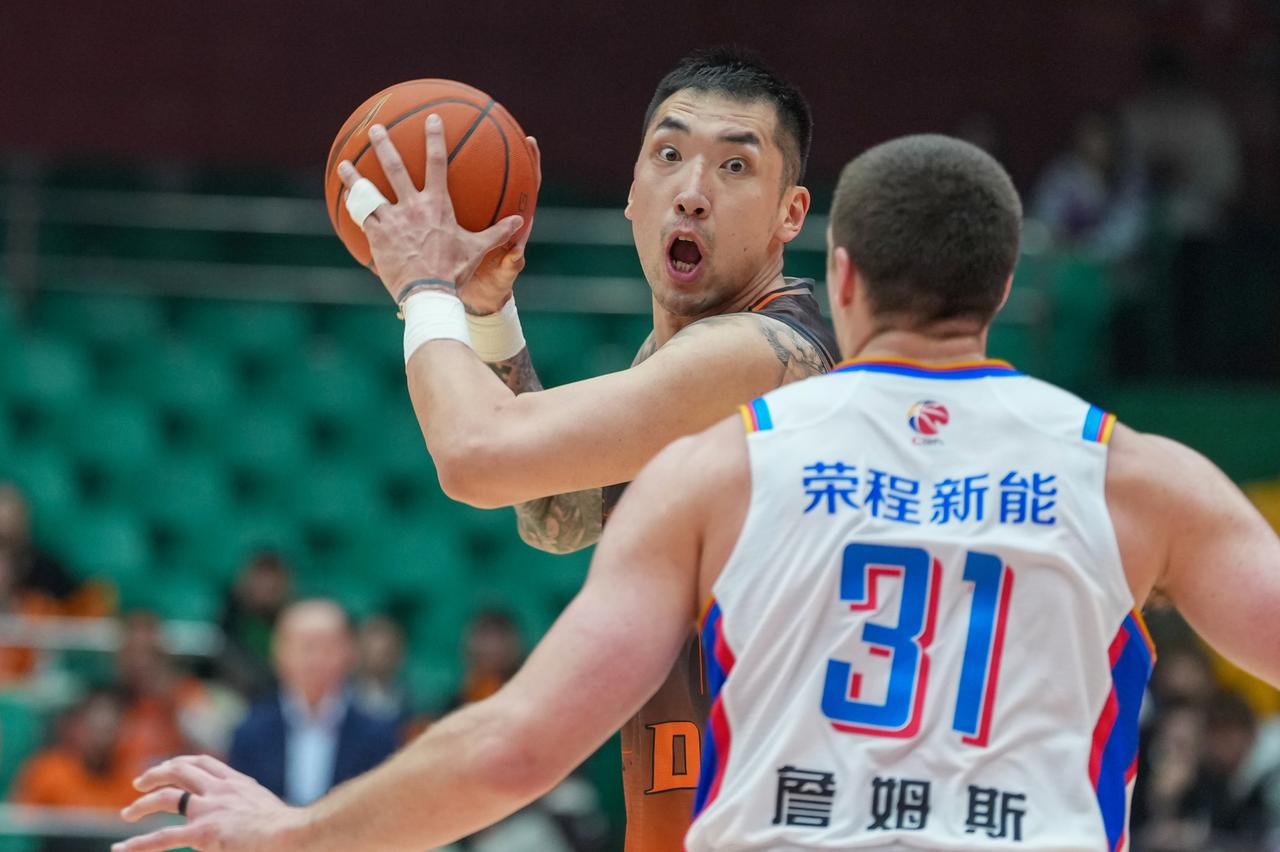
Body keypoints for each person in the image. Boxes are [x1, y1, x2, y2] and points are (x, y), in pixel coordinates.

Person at [115, 133, 1280, 852]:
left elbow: (516, 747)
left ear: (839, 274)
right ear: (1005, 283)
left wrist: (296, 833)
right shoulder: (1134, 478)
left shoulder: (723, 466)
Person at [343, 47, 838, 850]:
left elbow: (476, 457)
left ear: (791, 214)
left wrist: (425, 288)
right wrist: (486, 311)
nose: (693, 190)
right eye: (668, 155)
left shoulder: (763, 357)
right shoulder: (674, 366)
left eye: (735, 166)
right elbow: (556, 518)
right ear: (632, 193)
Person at [225, 599, 397, 806]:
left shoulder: (377, 736)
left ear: (350, 651)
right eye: (306, 647)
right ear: (279, 652)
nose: (316, 659)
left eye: (327, 647)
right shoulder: (249, 732)